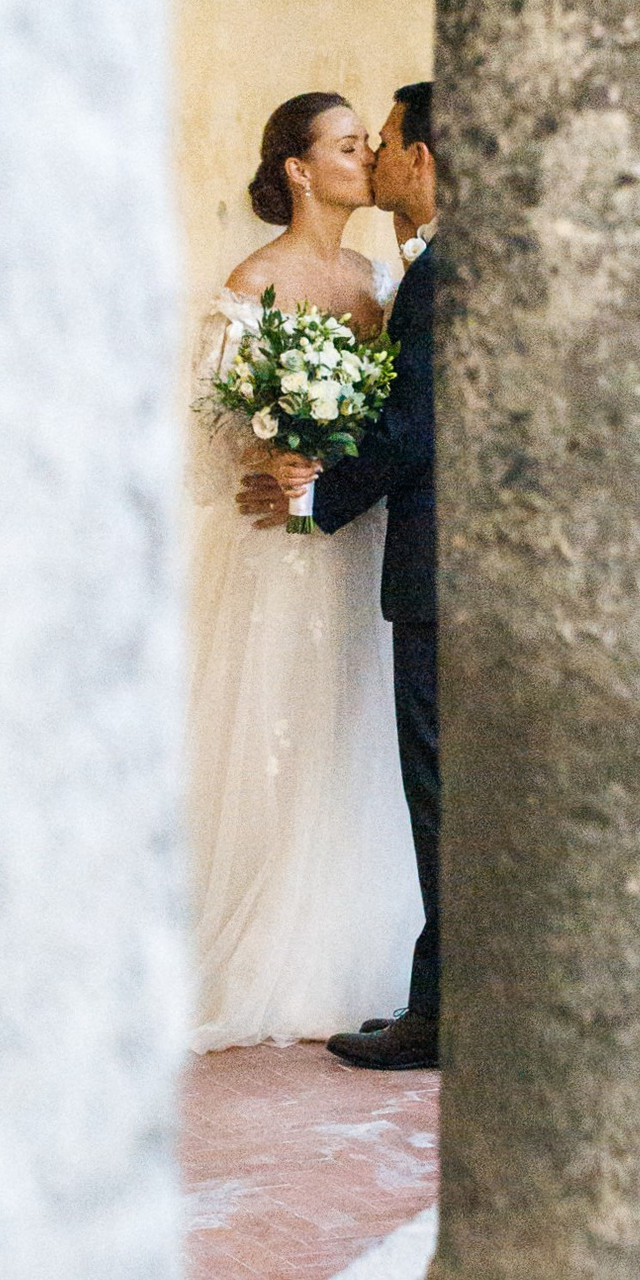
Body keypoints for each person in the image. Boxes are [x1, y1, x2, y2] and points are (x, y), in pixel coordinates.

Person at [186, 93, 425, 1046]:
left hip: (360, 535)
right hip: (282, 548)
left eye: (372, 142)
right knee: (281, 731)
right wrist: (267, 455)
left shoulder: (381, 277)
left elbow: (402, 417)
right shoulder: (254, 279)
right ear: (298, 168)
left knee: (357, 736)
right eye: (347, 145)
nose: (367, 155)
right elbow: (209, 429)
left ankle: (357, 951)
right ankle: (265, 955)